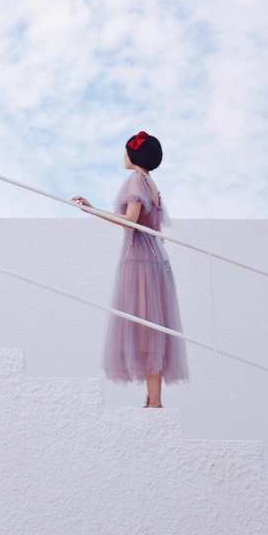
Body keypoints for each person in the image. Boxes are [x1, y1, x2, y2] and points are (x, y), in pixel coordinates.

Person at [72, 131, 188, 408]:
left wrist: (93, 210)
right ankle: (154, 401)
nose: (123, 155)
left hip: (140, 259)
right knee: (151, 329)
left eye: (127, 150)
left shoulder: (137, 179)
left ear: (135, 154)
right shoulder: (152, 184)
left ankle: (153, 402)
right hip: (156, 259)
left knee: (144, 329)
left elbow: (131, 220)